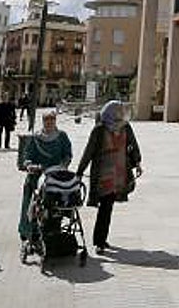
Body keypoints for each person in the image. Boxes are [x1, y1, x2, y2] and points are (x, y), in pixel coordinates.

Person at [76, 100, 141, 254]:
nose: (121, 113)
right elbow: (89, 151)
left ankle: (101, 239)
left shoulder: (125, 127)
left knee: (108, 207)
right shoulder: (99, 129)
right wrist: (79, 172)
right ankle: (99, 241)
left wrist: (137, 162)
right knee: (105, 206)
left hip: (119, 172)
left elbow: (133, 145)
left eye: (122, 110)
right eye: (118, 111)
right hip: (103, 173)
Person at [17, 110, 72, 241]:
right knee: (31, 199)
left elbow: (67, 154)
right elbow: (27, 155)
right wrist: (30, 164)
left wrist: (64, 164)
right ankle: (28, 230)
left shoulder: (62, 136)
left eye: (52, 120)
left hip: (55, 176)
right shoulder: (36, 138)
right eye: (46, 120)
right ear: (43, 122)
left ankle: (54, 228)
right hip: (37, 175)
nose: (49, 123)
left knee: (58, 201)